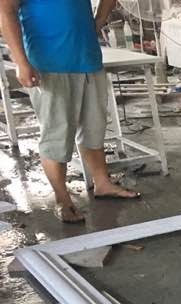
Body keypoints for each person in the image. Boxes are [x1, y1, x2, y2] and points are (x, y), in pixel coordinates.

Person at [0, 0, 140, 223]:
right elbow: (5, 11)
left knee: (94, 128)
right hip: (49, 65)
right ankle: (63, 199)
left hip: (88, 59)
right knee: (57, 135)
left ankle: (102, 182)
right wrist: (20, 62)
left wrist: (99, 20)